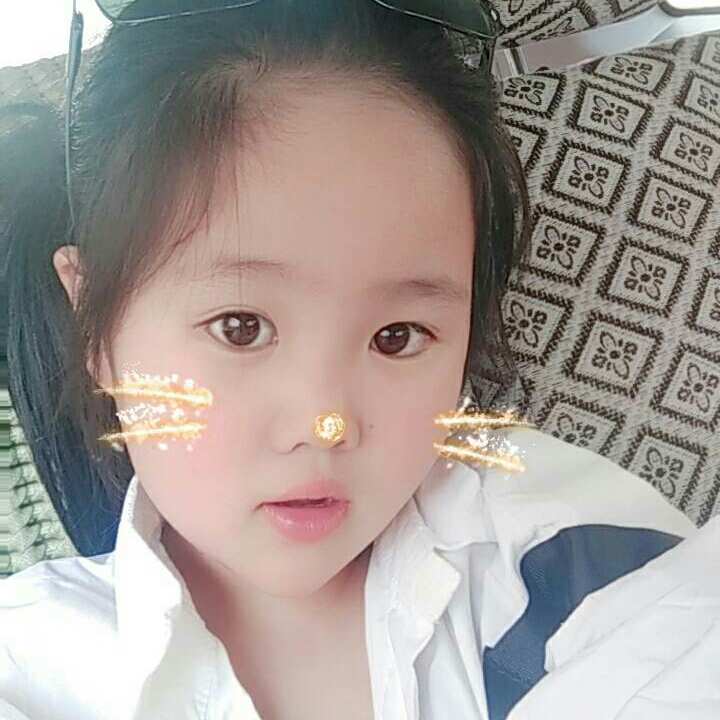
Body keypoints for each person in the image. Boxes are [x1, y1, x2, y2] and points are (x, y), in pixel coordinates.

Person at [1, 1, 718, 719]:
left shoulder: (558, 560)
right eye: (241, 329)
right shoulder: (31, 665)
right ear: (95, 330)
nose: (327, 423)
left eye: (397, 336)